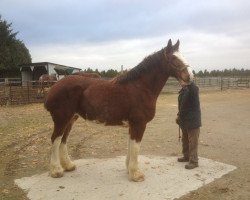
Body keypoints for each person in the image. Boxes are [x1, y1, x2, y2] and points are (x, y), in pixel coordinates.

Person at [176, 80, 201, 169]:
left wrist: (189, 81)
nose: (181, 82)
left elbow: (193, 88)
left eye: (184, 80)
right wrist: (179, 116)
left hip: (193, 121)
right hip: (185, 121)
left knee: (193, 142)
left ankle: (194, 161)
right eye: (181, 80)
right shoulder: (183, 90)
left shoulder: (193, 89)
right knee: (185, 140)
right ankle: (186, 156)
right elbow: (183, 106)